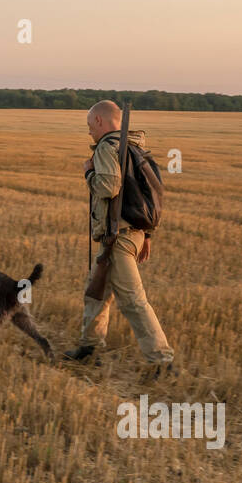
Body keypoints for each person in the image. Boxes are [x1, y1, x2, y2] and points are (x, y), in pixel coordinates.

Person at [64, 100, 176, 375]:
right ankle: (88, 348)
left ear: (100, 122)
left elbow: (108, 187)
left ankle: (162, 361)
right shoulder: (135, 147)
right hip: (134, 232)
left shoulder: (106, 147)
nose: (89, 132)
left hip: (119, 236)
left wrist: (89, 171)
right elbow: (148, 194)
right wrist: (146, 235)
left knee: (133, 300)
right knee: (96, 293)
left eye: (90, 126)